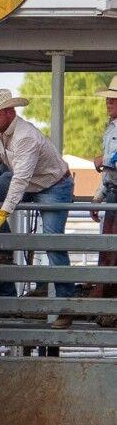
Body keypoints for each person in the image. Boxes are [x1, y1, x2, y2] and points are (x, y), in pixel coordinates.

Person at [0, 89, 75, 329]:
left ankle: (66, 307)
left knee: (52, 240)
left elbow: (20, 181)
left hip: (53, 185)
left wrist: (4, 212)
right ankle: (3, 251)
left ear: (10, 112)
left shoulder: (26, 137)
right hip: (31, 179)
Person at [88, 77, 117, 324]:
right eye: (109, 98)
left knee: (112, 250)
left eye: (113, 98)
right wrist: (99, 195)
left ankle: (107, 307)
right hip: (113, 192)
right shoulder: (111, 128)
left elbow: (110, 165)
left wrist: (104, 162)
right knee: (109, 250)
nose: (109, 102)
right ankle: (106, 306)